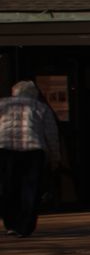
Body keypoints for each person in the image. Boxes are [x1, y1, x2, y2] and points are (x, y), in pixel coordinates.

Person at [0, 79, 62, 238]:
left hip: (6, 150)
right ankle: (25, 226)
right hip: (32, 151)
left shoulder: (3, 105)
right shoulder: (41, 108)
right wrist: (55, 157)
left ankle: (11, 224)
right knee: (30, 190)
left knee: (8, 187)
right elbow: (51, 134)